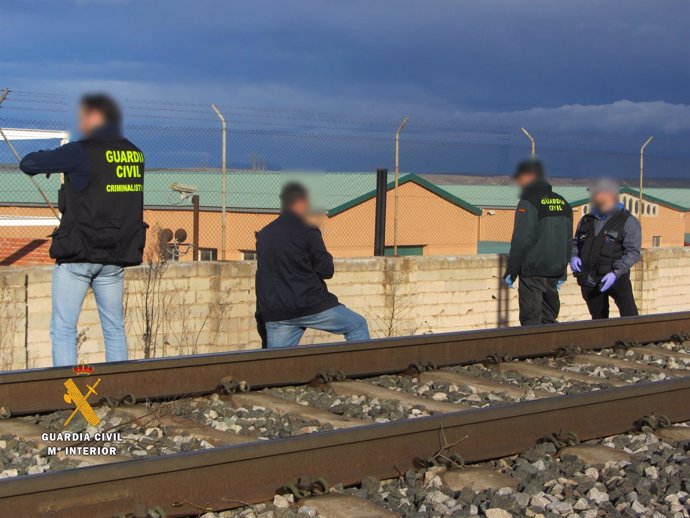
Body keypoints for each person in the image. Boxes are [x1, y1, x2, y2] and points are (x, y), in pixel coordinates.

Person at [19, 94, 146, 366]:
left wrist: (54, 159)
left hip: (80, 253)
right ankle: (118, 388)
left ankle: (72, 390)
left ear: (96, 117)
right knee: (114, 327)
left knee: (63, 327)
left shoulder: (80, 151)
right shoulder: (135, 153)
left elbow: (28, 164)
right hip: (116, 255)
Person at [255, 182, 370, 348]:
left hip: (277, 313)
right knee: (357, 325)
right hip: (310, 305)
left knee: (276, 364)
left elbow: (263, 275)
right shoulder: (307, 231)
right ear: (301, 202)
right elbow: (326, 270)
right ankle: (363, 372)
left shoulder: (265, 235)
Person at [504, 159, 573, 326]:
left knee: (531, 318)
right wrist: (562, 272)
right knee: (549, 317)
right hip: (555, 269)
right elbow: (568, 240)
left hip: (533, 270)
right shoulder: (563, 203)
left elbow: (521, 240)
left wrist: (511, 272)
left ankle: (533, 350)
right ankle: (549, 349)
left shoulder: (528, 203)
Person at [571, 179, 641, 319]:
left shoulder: (627, 221)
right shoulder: (586, 220)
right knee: (598, 320)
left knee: (629, 315)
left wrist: (616, 272)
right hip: (590, 278)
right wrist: (573, 256)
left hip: (615, 277)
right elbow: (575, 243)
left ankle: (636, 340)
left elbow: (633, 252)